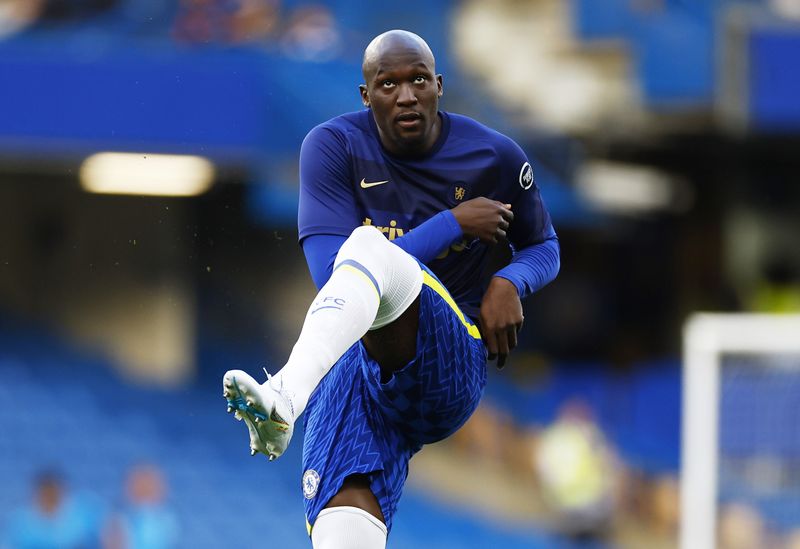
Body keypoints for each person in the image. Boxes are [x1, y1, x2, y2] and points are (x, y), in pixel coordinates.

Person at [223, 29, 560, 548]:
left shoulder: (494, 157)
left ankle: (285, 395)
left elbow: (544, 246)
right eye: (388, 84)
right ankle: (284, 406)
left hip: (449, 366)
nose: (406, 95)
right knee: (339, 514)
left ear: (439, 86)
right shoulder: (333, 147)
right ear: (366, 95)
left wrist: (509, 280)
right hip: (362, 367)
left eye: (418, 80)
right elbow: (331, 276)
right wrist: (452, 224)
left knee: (367, 244)